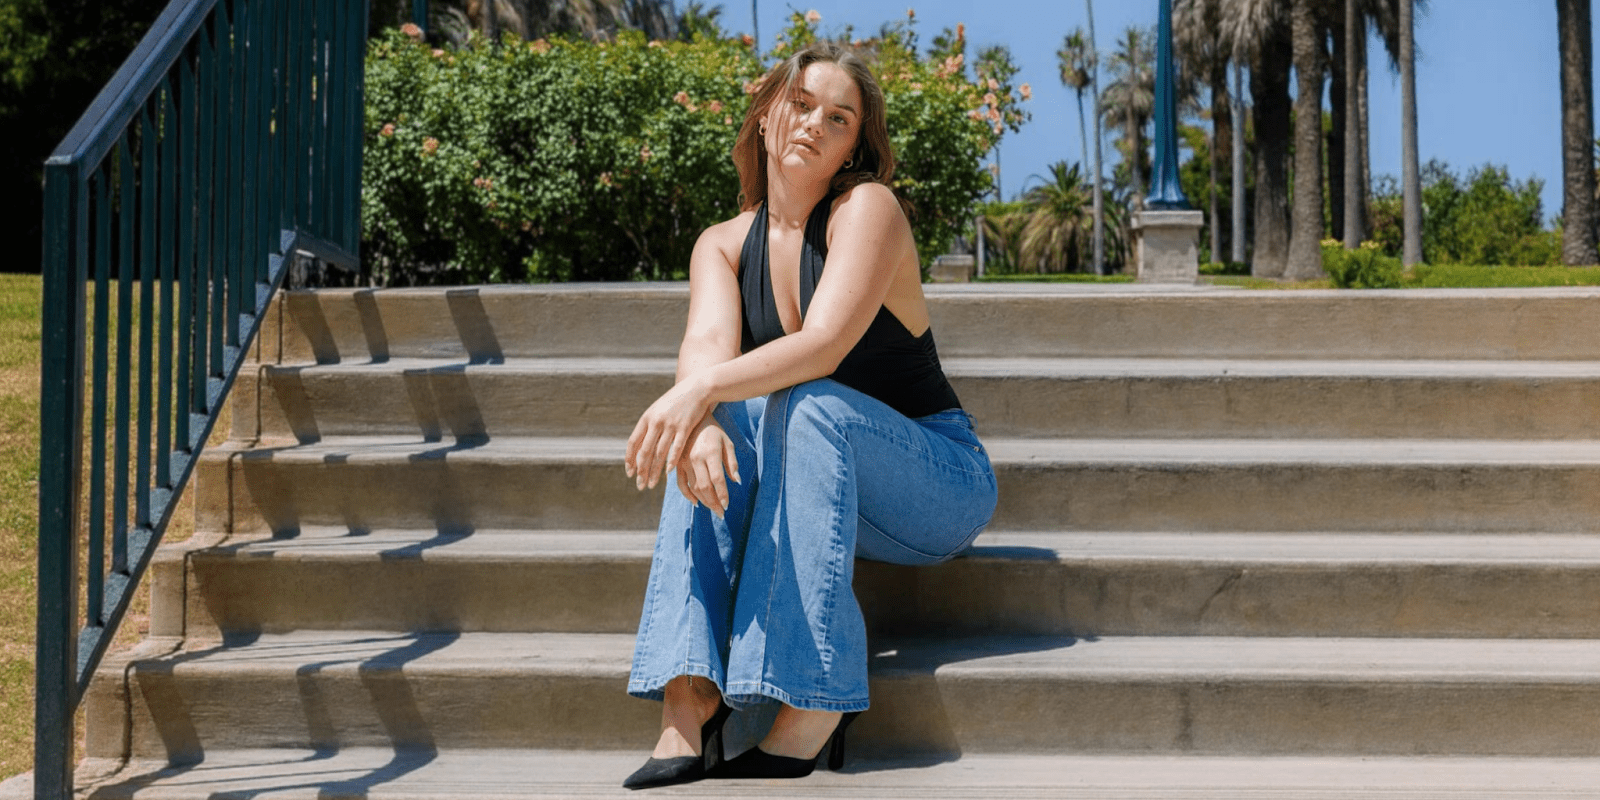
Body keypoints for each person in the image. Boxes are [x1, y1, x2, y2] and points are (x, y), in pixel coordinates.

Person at [621, 40, 998, 790]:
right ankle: (688, 698)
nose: (814, 124)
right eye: (800, 104)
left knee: (804, 401)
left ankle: (816, 699)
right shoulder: (722, 246)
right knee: (707, 427)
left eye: (839, 118)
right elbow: (705, 348)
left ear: (853, 146)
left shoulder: (868, 210)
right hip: (811, 481)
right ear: (765, 115)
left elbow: (823, 346)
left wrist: (699, 393)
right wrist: (699, 415)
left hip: (936, 482)